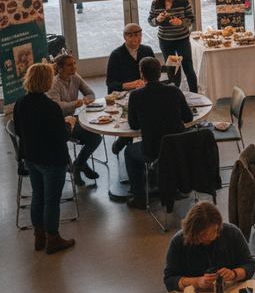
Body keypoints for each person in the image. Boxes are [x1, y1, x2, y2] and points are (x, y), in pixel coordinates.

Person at [13, 62, 76, 254]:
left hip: (31, 158)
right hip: (52, 160)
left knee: (38, 196)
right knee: (51, 200)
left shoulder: (20, 103)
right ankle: (53, 238)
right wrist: (69, 124)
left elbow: (18, 130)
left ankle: (39, 236)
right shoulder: (51, 108)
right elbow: (62, 136)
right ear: (47, 81)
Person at [124, 56, 193, 209]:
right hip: (177, 145)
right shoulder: (174, 91)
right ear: (160, 72)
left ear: (142, 74)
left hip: (153, 149)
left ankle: (139, 196)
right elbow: (188, 117)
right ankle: (170, 183)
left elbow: (134, 125)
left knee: (129, 152)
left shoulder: (136, 96)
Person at [47, 53, 102, 186]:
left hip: (72, 118)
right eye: (69, 65)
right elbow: (56, 106)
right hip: (59, 122)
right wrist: (74, 104)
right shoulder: (54, 83)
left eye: (74, 64)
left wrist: (88, 99)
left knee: (96, 135)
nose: (74, 67)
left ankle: (78, 164)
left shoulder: (75, 77)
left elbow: (90, 93)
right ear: (60, 69)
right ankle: (80, 165)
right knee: (95, 137)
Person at [106, 23, 155, 157]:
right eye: (130, 35)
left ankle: (125, 140)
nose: (134, 38)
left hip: (144, 92)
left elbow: (153, 74)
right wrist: (129, 85)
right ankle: (126, 139)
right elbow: (110, 83)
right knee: (139, 115)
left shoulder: (147, 50)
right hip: (125, 95)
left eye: (137, 34)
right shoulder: (116, 55)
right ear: (124, 37)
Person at [148, 0, 197, 93]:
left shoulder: (182, 0)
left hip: (182, 40)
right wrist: (157, 20)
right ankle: (174, 95)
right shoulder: (156, 3)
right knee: (172, 69)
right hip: (165, 41)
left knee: (188, 67)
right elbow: (151, 21)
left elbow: (191, 19)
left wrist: (181, 22)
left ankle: (195, 95)